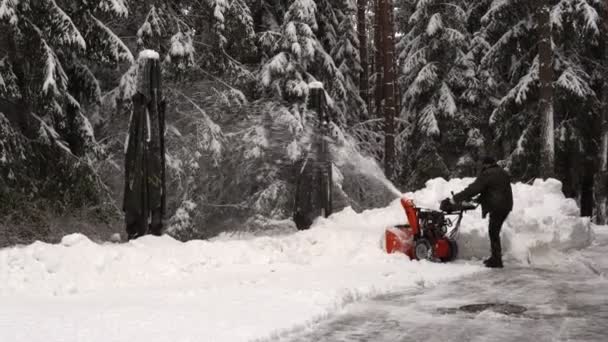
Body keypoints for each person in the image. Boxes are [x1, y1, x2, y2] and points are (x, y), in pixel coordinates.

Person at [451, 156, 513, 268]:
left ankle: (497, 260)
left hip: (497, 206)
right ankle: (495, 257)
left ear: (486, 164)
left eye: (483, 165)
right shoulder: (501, 172)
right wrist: (478, 199)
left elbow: (473, 189)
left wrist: (456, 198)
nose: (482, 167)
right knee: (494, 231)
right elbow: (493, 190)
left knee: (493, 231)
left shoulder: (488, 173)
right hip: (506, 205)